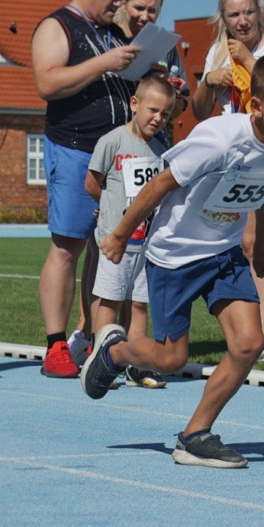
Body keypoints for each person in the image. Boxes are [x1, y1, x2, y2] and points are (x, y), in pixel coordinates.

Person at [81, 51, 264, 468]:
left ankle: (194, 434)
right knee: (172, 360)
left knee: (249, 343)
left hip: (223, 253)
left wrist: (258, 248)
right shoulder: (220, 139)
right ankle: (115, 353)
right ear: (257, 106)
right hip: (175, 255)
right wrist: (118, 235)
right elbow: (160, 185)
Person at [31, 0, 139, 379]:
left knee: (106, 246)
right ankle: (56, 345)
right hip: (75, 149)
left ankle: (96, 338)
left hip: (116, 153)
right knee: (67, 246)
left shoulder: (112, 33)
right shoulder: (57, 26)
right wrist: (103, 64)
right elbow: (47, 82)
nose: (118, 5)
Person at [191, 0, 264, 367]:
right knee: (249, 245)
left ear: (260, 12)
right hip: (240, 159)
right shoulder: (216, 52)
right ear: (222, 19)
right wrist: (210, 80)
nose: (242, 21)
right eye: (234, 15)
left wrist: (249, 62)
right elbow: (199, 110)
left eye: (248, 13)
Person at [85, 76, 175, 389]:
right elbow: (92, 183)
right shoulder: (112, 141)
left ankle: (135, 365)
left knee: (139, 304)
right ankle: (100, 360)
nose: (158, 118)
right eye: (153, 110)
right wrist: (110, 209)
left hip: (146, 243)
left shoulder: (161, 150)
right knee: (109, 301)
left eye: (165, 114)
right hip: (116, 241)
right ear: (134, 104)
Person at [112, 0, 190, 119]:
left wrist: (166, 85)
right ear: (124, 4)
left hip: (152, 137)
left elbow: (177, 110)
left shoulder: (164, 46)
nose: (145, 16)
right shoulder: (108, 38)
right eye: (139, 8)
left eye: (152, 10)